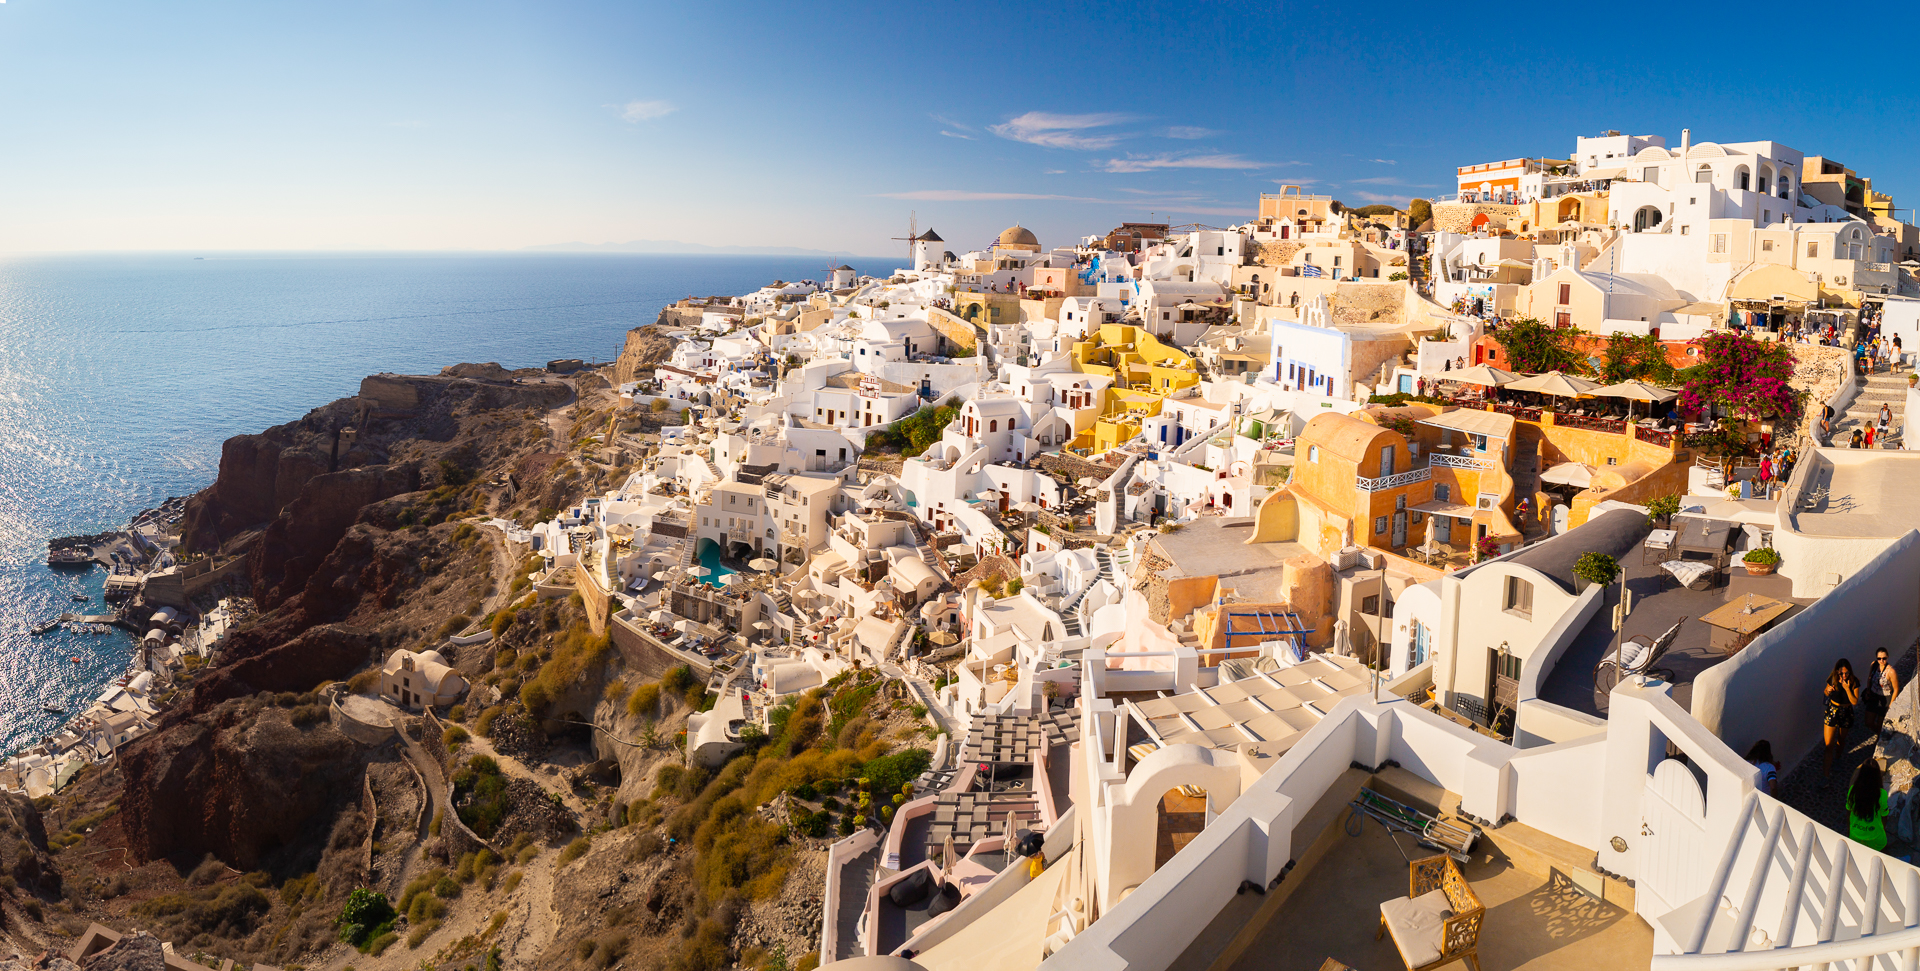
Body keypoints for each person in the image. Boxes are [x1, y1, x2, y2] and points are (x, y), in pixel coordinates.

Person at [1825, 658, 1861, 777]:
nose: (1844, 675)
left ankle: (1838, 758)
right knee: (1829, 745)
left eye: (1846, 673)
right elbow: (1825, 692)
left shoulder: (1854, 682)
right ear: (1837, 672)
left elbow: (1854, 701)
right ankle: (1825, 774)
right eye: (1841, 673)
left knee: (1841, 740)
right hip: (1833, 710)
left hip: (1846, 712)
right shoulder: (1833, 679)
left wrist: (1847, 689)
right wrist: (1828, 690)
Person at [1849, 760, 1891, 852]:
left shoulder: (1853, 790)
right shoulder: (1882, 794)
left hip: (1855, 834)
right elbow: (1884, 816)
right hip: (1875, 836)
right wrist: (1882, 830)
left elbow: (1848, 810)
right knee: (1884, 855)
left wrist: (1851, 828)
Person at [1868, 647, 1901, 736]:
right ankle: (1879, 734)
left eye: (1884, 658)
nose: (1881, 660)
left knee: (1880, 724)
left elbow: (1896, 688)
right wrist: (1868, 690)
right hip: (1874, 696)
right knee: (1868, 722)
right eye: (1879, 658)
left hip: (1885, 699)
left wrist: (1891, 704)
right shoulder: (1874, 665)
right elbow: (1870, 678)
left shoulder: (1891, 671)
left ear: (1887, 657)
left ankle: (1879, 738)